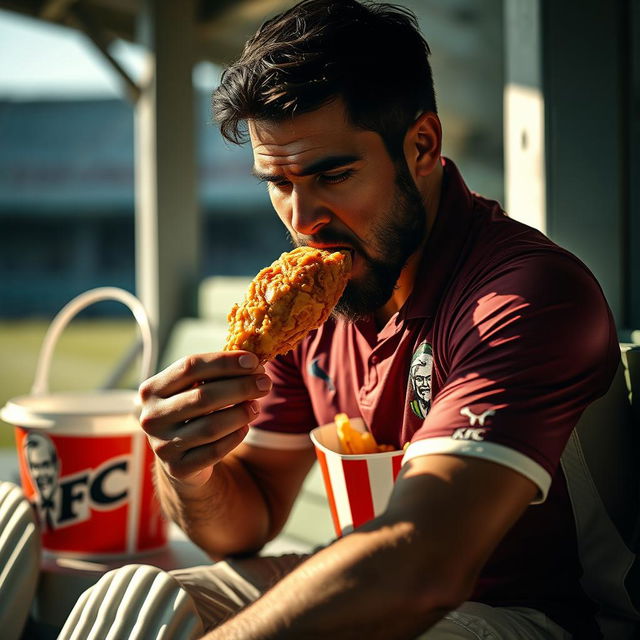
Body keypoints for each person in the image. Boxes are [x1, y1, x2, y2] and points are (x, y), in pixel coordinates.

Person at [61, 1, 621, 638]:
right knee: (140, 603)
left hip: (541, 615)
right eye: (277, 181)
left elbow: (421, 565)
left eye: (333, 174)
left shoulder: (523, 297)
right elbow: (250, 518)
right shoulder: (317, 305)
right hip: (379, 577)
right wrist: (188, 468)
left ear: (423, 146)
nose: (303, 220)